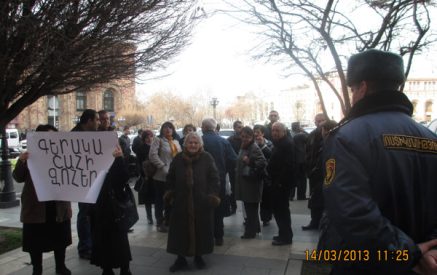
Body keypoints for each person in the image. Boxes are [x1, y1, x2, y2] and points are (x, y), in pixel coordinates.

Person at [318, 49, 437, 275]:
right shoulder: (431, 138)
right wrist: (430, 249)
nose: (352, 96)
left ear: (362, 88)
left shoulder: (346, 137)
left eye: (352, 89)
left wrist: (408, 253)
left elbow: (352, 213)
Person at [13, 124, 72, 275]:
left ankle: (61, 266)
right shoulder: (30, 156)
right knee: (35, 241)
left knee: (60, 238)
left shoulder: (63, 155)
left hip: (58, 205)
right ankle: (37, 269)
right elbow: (18, 177)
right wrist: (21, 161)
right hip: (36, 207)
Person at [165, 132, 220, 272]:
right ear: (185, 144)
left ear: (200, 144)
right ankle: (180, 258)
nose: (193, 145)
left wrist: (212, 195)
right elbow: (170, 178)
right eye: (190, 142)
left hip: (202, 202)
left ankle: (198, 256)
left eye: (196, 142)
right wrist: (170, 195)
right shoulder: (178, 158)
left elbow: (214, 178)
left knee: (201, 229)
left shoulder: (207, 158)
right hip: (181, 202)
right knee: (180, 231)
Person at [90, 146, 133, 275]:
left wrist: (119, 159)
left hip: (115, 208)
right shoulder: (91, 159)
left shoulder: (116, 158)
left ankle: (124, 268)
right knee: (101, 238)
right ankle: (106, 268)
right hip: (98, 206)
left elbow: (124, 177)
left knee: (119, 239)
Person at [201, 118, 237, 246]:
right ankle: (219, 237)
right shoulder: (223, 141)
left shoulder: (198, 141)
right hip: (219, 180)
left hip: (201, 182)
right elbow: (233, 159)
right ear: (215, 128)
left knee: (203, 209)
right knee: (218, 209)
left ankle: (205, 236)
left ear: (203, 128)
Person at [71, 109, 100, 260]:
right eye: (97, 120)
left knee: (90, 215)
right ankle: (85, 247)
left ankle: (91, 244)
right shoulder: (75, 135)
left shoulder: (92, 134)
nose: (98, 123)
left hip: (92, 180)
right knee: (85, 215)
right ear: (89, 121)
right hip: (82, 181)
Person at [302, 120, 337, 231]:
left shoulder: (332, 143)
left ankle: (321, 223)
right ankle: (315, 222)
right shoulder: (319, 139)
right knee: (315, 201)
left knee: (321, 202)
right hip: (317, 176)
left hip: (324, 178)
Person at [149, 121, 182, 232]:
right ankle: (160, 222)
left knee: (171, 199)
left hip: (174, 176)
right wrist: (162, 166)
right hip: (161, 176)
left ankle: (169, 220)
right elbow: (152, 155)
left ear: (173, 130)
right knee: (160, 200)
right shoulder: (158, 140)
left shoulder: (176, 142)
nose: (168, 129)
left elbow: (180, 157)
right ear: (162, 129)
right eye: (165, 127)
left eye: (170, 128)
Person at [235, 127, 267, 239]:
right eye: (242, 136)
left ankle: (250, 232)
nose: (244, 139)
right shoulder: (245, 146)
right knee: (250, 208)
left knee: (251, 208)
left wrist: (249, 161)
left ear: (252, 137)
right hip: (246, 183)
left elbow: (262, 162)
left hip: (251, 184)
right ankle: (254, 229)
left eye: (247, 137)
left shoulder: (253, 147)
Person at [267, 122, 295, 246]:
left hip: (281, 185)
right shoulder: (279, 144)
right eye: (273, 130)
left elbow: (288, 166)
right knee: (279, 211)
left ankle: (286, 237)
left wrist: (279, 183)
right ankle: (283, 234)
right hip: (277, 183)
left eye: (277, 130)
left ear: (284, 131)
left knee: (282, 211)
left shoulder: (287, 144)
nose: (274, 133)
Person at [302, 113, 326, 230]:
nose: (319, 123)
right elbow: (307, 152)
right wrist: (308, 168)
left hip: (325, 173)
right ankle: (314, 221)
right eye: (317, 121)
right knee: (313, 199)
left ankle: (323, 222)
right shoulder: (311, 135)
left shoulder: (329, 134)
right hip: (313, 173)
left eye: (322, 120)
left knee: (324, 199)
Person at [253, 124, 273, 226]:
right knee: (254, 198)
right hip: (255, 174)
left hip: (266, 175)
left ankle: (266, 218)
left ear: (263, 134)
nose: (256, 135)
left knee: (266, 198)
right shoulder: (251, 144)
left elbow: (272, 156)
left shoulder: (269, 143)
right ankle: (252, 219)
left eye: (258, 133)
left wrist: (263, 146)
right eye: (254, 133)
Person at [137, 130, 156, 225]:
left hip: (156, 176)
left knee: (157, 197)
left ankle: (158, 215)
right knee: (147, 199)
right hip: (147, 177)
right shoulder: (141, 148)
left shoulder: (156, 147)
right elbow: (139, 163)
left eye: (150, 137)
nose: (149, 139)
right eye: (147, 137)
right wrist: (144, 175)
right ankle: (149, 217)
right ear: (144, 139)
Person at [227, 120, 243, 214]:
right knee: (233, 188)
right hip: (233, 167)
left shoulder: (245, 139)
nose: (240, 129)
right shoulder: (230, 140)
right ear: (234, 128)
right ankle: (233, 207)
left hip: (244, 167)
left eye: (241, 127)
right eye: (238, 127)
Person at [291, 122, 308, 201]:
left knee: (293, 178)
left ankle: (291, 195)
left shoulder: (290, 134)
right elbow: (310, 138)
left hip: (293, 160)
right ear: (298, 127)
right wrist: (303, 130)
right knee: (302, 179)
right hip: (301, 160)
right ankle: (301, 195)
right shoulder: (301, 135)